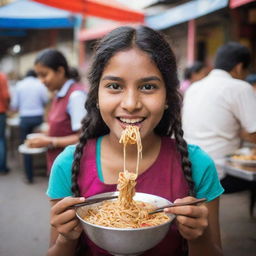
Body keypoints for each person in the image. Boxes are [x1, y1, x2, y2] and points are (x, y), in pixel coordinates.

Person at [46, 26, 224, 256]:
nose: (131, 103)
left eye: (148, 87)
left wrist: (199, 238)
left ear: (168, 97)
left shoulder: (198, 164)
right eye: (114, 86)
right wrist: (65, 239)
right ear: (97, 96)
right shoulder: (68, 165)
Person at [182, 42, 256, 193]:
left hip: (188, 170)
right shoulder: (240, 87)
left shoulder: (194, 87)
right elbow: (253, 133)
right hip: (219, 174)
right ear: (239, 67)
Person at [26, 49, 87, 174]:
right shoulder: (59, 94)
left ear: (60, 71)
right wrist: (45, 135)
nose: (41, 80)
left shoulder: (75, 95)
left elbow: (84, 138)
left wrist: (50, 141)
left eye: (44, 75)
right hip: (60, 166)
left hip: (72, 168)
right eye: (38, 75)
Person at [10, 69, 49, 183]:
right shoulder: (39, 84)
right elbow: (45, 100)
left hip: (25, 118)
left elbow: (14, 104)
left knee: (26, 146)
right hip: (38, 117)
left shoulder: (19, 85)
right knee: (43, 142)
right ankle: (47, 171)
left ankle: (29, 176)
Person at [0, 72, 10, 174]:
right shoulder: (1, 76)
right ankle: (2, 167)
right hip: (0, 111)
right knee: (1, 139)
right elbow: (5, 95)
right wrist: (7, 107)